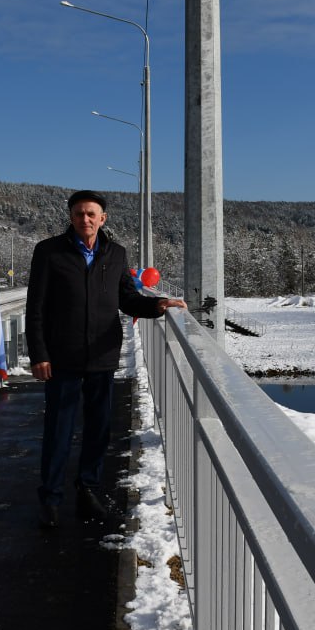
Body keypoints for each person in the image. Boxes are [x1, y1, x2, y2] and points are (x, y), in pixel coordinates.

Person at [26, 189, 186, 528]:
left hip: (101, 356)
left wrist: (158, 305)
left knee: (98, 430)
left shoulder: (115, 254)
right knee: (59, 429)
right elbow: (35, 308)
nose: (85, 219)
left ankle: (87, 490)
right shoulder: (49, 252)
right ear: (70, 216)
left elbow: (127, 299)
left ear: (103, 218)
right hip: (62, 358)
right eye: (79, 213)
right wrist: (39, 354)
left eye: (91, 214)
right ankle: (51, 498)